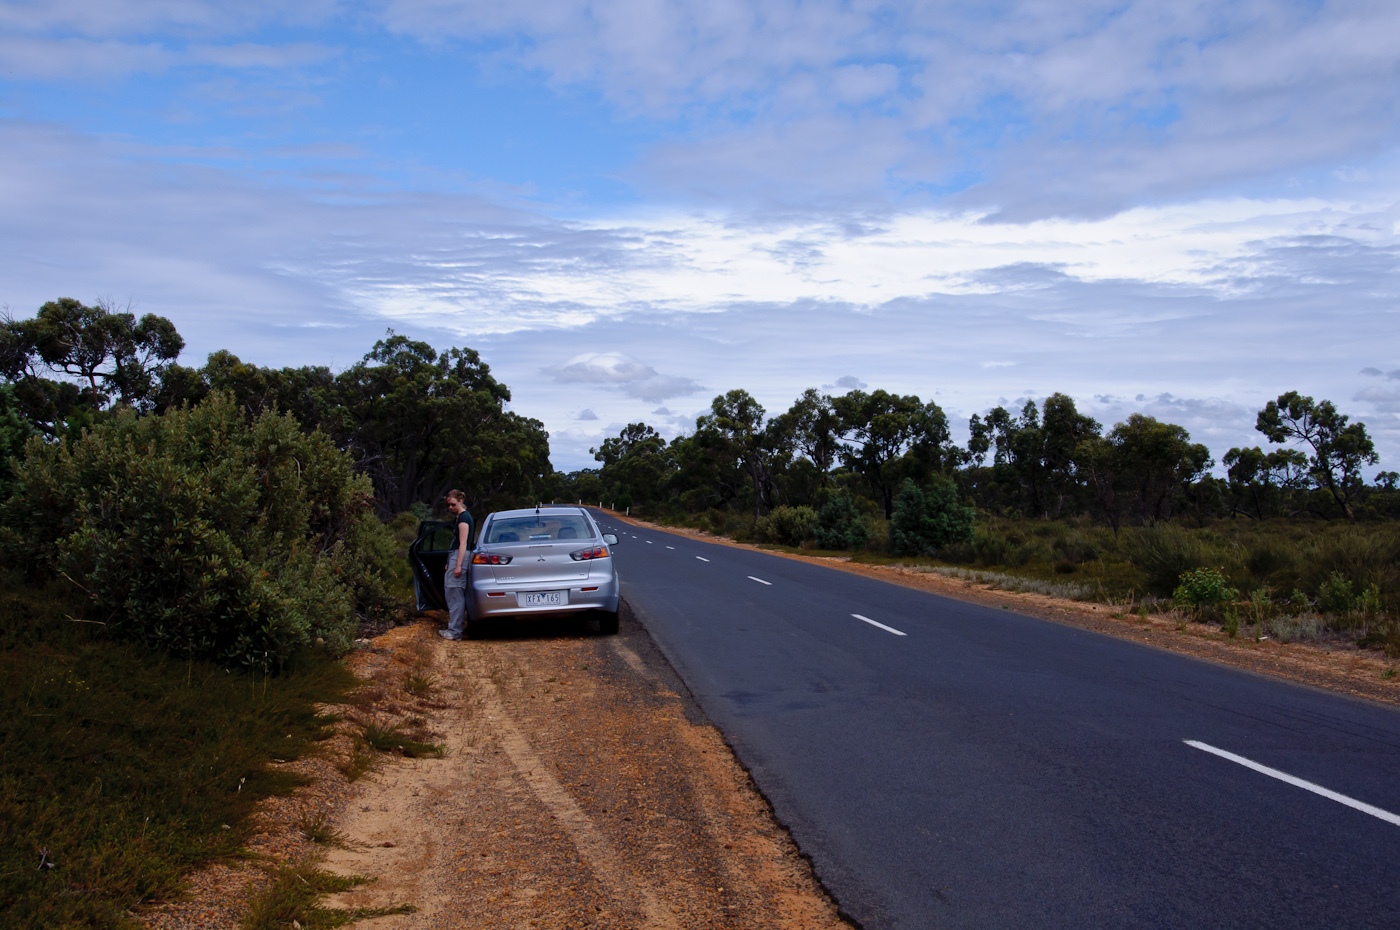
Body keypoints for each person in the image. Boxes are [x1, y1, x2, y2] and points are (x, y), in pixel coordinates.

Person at [440, 490, 475, 640]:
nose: (450, 507)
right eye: (448, 505)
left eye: (453, 504)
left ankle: (455, 631)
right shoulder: (459, 517)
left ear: (460, 501)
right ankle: (455, 629)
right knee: (453, 593)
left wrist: (458, 565)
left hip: (459, 556)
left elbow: (463, 543)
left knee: (455, 593)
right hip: (455, 556)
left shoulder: (464, 518)